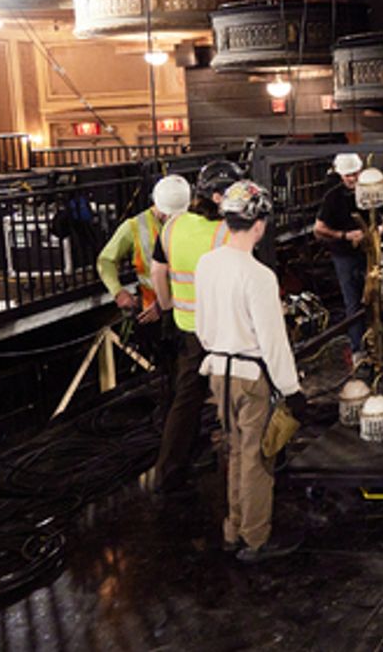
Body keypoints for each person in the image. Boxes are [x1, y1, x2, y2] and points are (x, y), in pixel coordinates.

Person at [196, 179, 304, 563]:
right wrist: (292, 390)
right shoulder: (258, 276)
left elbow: (201, 326)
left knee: (235, 453)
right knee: (257, 458)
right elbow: (273, 341)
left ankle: (233, 530)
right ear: (259, 225)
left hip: (218, 371)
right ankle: (256, 539)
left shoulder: (207, 264)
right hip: (251, 374)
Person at [150, 158, 242, 494]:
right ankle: (242, 477)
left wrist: (167, 305)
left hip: (188, 326)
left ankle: (168, 472)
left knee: (186, 398)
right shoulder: (227, 231)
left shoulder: (172, 228)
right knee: (235, 397)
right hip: (225, 329)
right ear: (219, 197)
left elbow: (158, 272)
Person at [97, 174, 191, 412]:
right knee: (172, 375)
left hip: (186, 311)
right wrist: (118, 293)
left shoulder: (190, 222)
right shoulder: (134, 227)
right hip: (156, 316)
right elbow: (106, 260)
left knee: (188, 377)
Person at [315, 153, 368, 365]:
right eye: (348, 176)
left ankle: (380, 346)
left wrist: (378, 230)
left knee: (377, 300)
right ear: (341, 176)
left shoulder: (371, 191)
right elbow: (318, 230)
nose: (352, 179)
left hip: (370, 253)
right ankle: (358, 351)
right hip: (345, 255)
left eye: (355, 174)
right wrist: (345, 236)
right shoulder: (333, 198)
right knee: (353, 303)